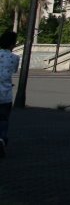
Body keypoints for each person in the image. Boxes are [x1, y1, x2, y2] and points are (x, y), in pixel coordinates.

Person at [0, 31, 19, 159]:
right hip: (5, 94)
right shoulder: (15, 58)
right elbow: (14, 70)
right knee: (3, 119)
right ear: (13, 44)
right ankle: (1, 139)